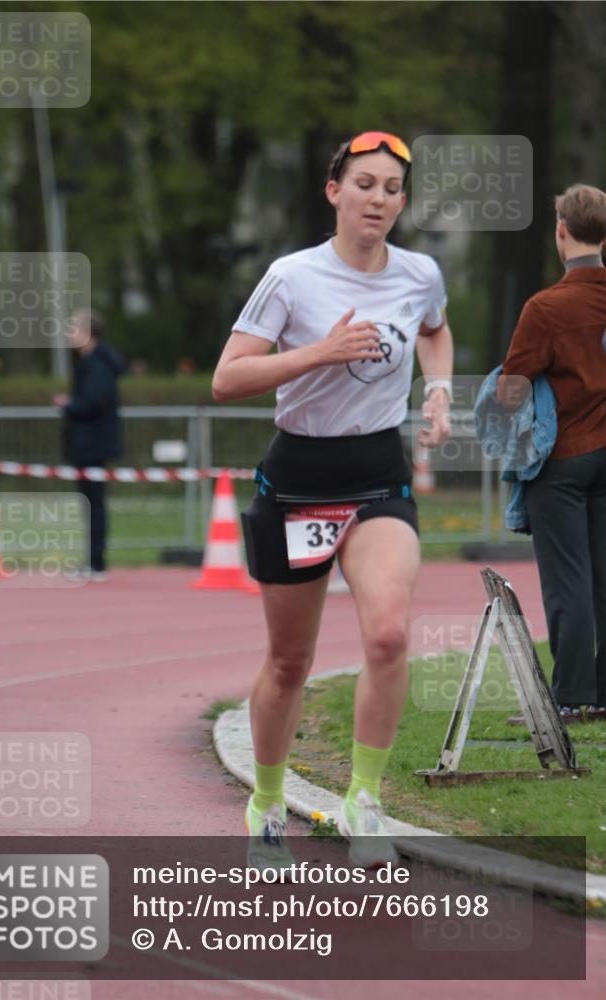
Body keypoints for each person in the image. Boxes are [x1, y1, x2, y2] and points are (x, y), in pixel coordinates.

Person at [212, 131, 453, 867]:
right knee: (290, 662)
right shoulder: (291, 277)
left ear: (400, 203)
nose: (377, 198)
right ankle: (264, 801)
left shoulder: (419, 273)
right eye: (364, 184)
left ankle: (364, 799)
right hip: (298, 481)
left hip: (377, 473)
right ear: (333, 193)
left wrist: (437, 387)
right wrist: (318, 352)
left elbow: (435, 333)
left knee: (386, 635)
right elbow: (226, 379)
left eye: (390, 188)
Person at [498, 184, 606, 724]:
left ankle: (570, 698)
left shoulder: (546, 307)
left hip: (563, 459)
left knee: (569, 582)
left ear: (561, 231)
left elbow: (511, 390)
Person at [53, 309, 126, 582]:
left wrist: (69, 406)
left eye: (74, 328)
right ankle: (94, 561)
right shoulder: (92, 363)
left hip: (92, 445)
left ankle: (96, 563)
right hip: (87, 444)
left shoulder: (97, 365)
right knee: (90, 503)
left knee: (93, 503)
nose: (70, 333)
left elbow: (94, 402)